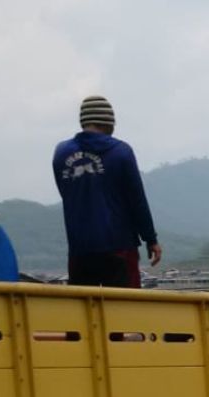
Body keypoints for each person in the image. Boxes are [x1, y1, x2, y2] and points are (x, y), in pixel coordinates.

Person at [53, 95, 161, 288]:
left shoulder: (61, 153)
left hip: (80, 248)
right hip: (119, 246)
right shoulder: (121, 152)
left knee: (85, 311)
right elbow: (136, 199)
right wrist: (150, 238)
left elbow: (66, 194)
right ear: (109, 122)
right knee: (125, 310)